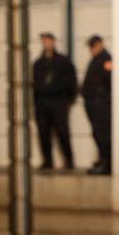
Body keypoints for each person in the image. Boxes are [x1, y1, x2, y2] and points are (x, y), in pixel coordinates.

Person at [32, 32, 78, 171]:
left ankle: (69, 161)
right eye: (44, 41)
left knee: (62, 132)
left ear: (53, 42)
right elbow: (34, 85)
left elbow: (72, 82)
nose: (46, 44)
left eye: (48, 41)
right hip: (42, 103)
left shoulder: (63, 61)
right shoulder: (38, 63)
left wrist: (69, 100)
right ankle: (47, 161)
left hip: (59, 102)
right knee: (43, 132)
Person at [82, 35, 112, 175]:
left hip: (102, 105)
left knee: (103, 135)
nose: (91, 50)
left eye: (93, 46)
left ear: (100, 44)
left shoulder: (106, 60)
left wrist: (101, 96)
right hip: (94, 104)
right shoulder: (96, 60)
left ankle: (107, 163)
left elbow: (108, 81)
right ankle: (102, 160)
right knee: (98, 134)